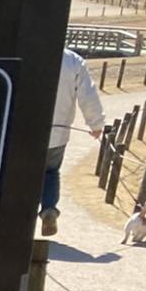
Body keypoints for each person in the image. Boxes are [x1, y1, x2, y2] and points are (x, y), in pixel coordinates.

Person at [41, 47, 106, 236]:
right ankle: (49, 210)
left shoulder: (26, 49)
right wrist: (96, 123)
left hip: (21, 130)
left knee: (17, 172)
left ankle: (16, 215)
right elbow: (88, 94)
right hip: (57, 132)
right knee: (51, 172)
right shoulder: (73, 60)